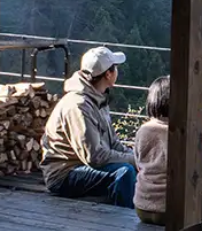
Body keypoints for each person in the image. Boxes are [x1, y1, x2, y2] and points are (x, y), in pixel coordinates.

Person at [41, 46, 137, 207]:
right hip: (64, 174)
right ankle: (124, 221)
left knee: (132, 168)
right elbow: (94, 157)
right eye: (116, 67)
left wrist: (137, 158)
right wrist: (134, 161)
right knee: (125, 173)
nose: (117, 71)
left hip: (81, 166)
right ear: (108, 74)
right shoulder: (79, 106)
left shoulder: (97, 98)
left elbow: (113, 143)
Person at [133, 75, 202, 226]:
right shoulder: (185, 132)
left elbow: (138, 163)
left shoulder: (143, 131)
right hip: (173, 211)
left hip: (142, 208)